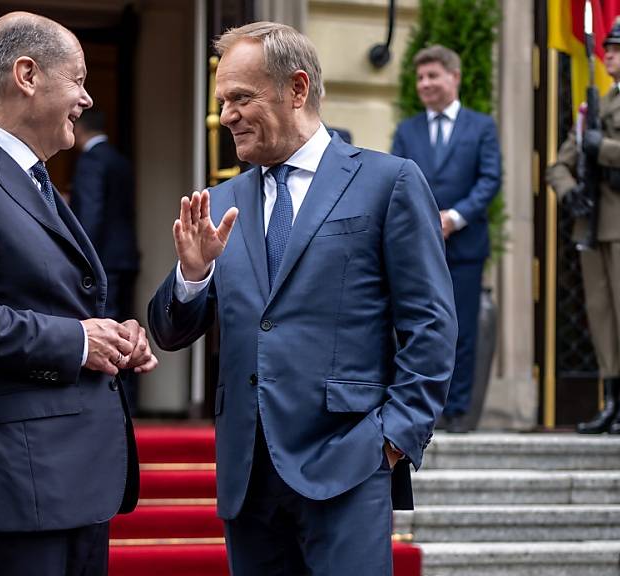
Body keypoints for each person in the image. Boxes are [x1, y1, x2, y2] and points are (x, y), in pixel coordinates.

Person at [147, 22, 456, 575]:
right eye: (222, 102)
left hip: (349, 462)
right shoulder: (220, 200)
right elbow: (169, 332)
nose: (227, 116)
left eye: (241, 98)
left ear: (296, 88)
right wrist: (192, 274)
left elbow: (430, 324)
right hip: (248, 475)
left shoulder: (388, 182)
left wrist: (394, 438)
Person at [0, 12, 157, 576]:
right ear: (27, 75)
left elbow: (52, 300)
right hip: (19, 486)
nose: (86, 99)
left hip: (70, 482)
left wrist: (113, 337)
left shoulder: (32, 178)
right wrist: (77, 342)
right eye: (78, 80)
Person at [391, 44, 502, 434]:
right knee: (421, 328)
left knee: (464, 329)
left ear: (454, 77)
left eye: (432, 76)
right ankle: (425, 407)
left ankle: (457, 411)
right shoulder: (407, 131)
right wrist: (425, 221)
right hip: (418, 249)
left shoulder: (481, 127)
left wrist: (453, 218)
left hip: (465, 247)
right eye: (420, 77)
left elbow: (490, 179)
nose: (424, 84)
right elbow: (396, 181)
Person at [546, 18, 620, 434]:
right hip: (593, 224)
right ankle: (612, 401)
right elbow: (559, 164)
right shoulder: (594, 108)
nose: (608, 55)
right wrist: (569, 190)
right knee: (602, 316)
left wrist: (602, 147)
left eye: (616, 49)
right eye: (607, 48)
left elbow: (601, 149)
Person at [71, 110, 140, 407]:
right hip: (125, 256)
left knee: (108, 329)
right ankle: (130, 399)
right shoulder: (119, 160)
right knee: (126, 328)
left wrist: (83, 259)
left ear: (78, 128)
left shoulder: (91, 161)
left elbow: (91, 213)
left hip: (102, 260)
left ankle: (112, 401)